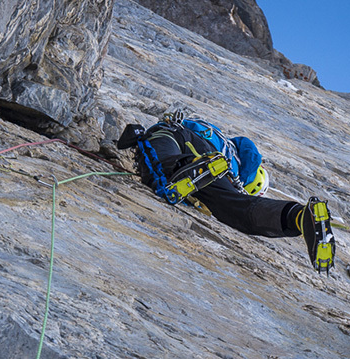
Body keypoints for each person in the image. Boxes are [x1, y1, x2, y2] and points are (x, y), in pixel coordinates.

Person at [117, 111, 336, 273]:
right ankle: (299, 216)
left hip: (173, 138)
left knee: (167, 170)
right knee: (238, 209)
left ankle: (190, 171)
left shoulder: (222, 141)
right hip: (195, 150)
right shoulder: (234, 165)